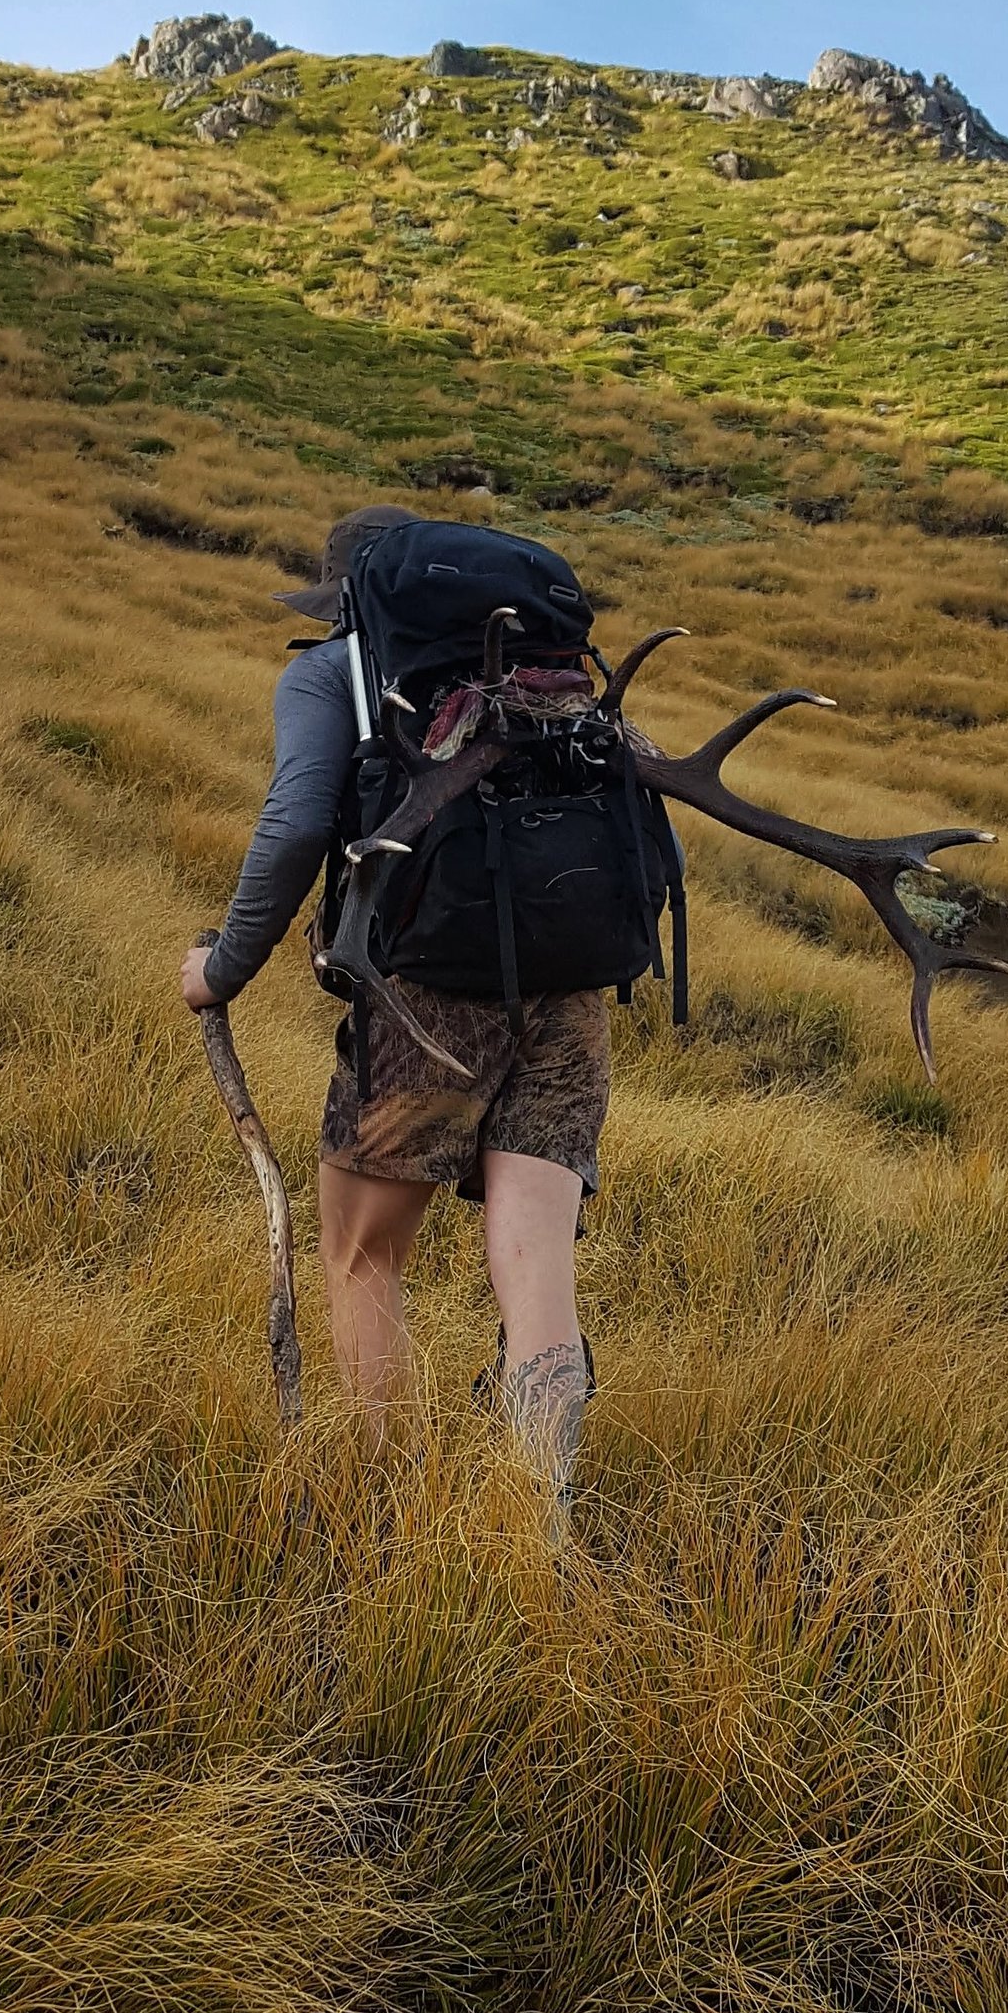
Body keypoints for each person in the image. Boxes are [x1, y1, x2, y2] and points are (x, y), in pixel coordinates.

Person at [178, 502, 602, 1516]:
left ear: (345, 599)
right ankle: (536, 1514)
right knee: (536, 1254)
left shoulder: (336, 673)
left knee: (364, 1255)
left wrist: (220, 970)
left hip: (427, 1001)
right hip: (573, 982)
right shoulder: (543, 675)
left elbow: (290, 830)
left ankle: (388, 1517)